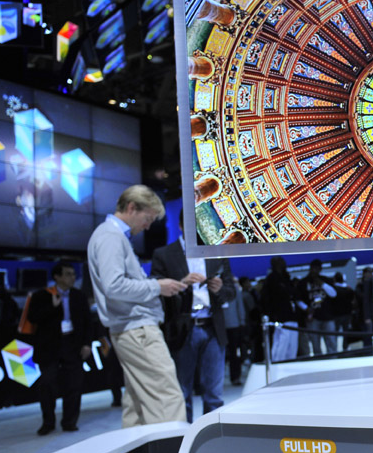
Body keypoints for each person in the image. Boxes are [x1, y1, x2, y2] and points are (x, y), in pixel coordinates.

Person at [87, 185, 188, 427]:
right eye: (148, 218)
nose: (148, 226)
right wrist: (157, 287)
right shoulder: (110, 236)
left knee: (137, 403)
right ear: (132, 208)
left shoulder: (110, 235)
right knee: (166, 398)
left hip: (130, 329)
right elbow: (114, 286)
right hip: (138, 330)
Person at [151, 227, 235, 423]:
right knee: (181, 391)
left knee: (214, 393)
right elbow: (155, 288)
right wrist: (179, 283)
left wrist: (220, 288)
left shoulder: (216, 251)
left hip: (213, 327)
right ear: (183, 224)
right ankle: (182, 438)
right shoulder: (164, 254)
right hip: (182, 329)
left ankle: (213, 439)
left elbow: (231, 290)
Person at [29, 262, 93, 435]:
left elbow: (88, 321)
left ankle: (70, 422)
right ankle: (48, 422)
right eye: (67, 274)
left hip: (72, 345)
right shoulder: (42, 295)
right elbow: (32, 317)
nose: (72, 277)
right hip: (49, 348)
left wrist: (87, 343)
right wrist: (53, 307)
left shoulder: (79, 296)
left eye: (73, 274)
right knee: (47, 384)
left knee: (74, 385)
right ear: (57, 277)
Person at [261, 256, 299, 362]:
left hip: (292, 316)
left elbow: (293, 294)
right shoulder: (272, 279)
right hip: (280, 317)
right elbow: (266, 299)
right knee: (281, 345)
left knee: (292, 346)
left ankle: (290, 364)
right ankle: (278, 365)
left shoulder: (286, 277)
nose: (284, 263)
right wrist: (270, 314)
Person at [301, 259, 337, 355]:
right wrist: (306, 309)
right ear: (310, 268)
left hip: (327, 316)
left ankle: (334, 361)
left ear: (320, 269)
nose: (315, 271)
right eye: (313, 268)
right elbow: (298, 298)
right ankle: (319, 362)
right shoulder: (304, 282)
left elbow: (333, 294)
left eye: (318, 268)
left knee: (331, 342)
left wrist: (322, 284)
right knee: (315, 344)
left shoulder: (325, 280)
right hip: (313, 318)